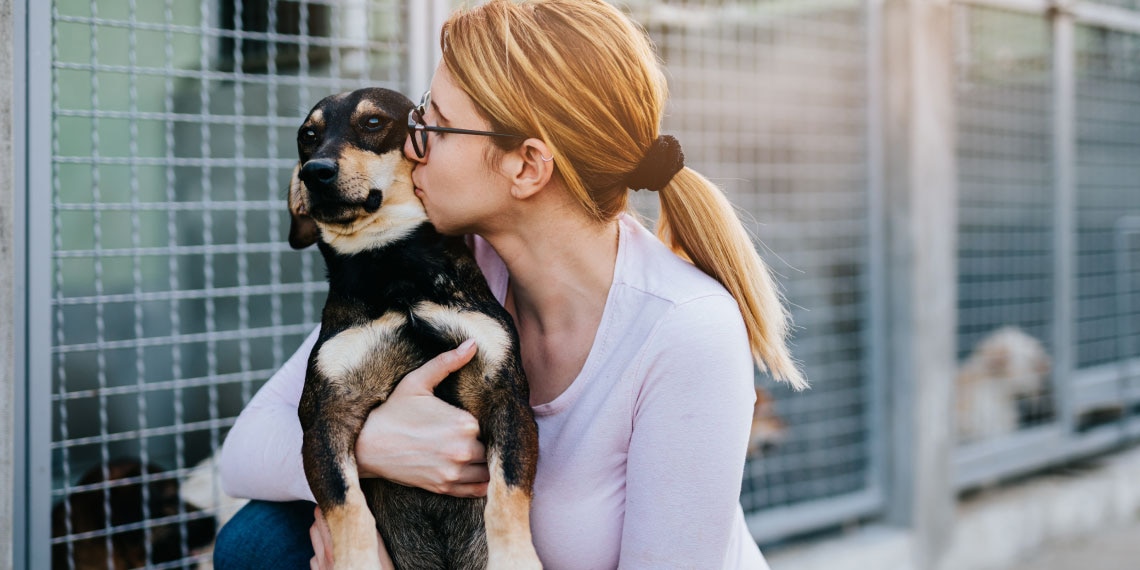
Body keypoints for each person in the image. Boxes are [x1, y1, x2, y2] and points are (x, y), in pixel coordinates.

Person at [214, 0, 806, 568]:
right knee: (263, 537)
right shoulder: (458, 259)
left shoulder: (685, 329)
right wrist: (373, 445)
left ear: (526, 166)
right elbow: (244, 451)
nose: (410, 146)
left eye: (437, 126)